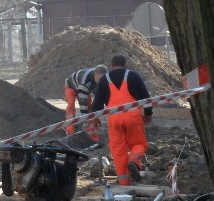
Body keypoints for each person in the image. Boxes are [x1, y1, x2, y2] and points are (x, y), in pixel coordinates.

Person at [91, 54, 153, 185]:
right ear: (125, 65)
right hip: (133, 116)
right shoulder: (133, 76)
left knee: (118, 151)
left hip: (114, 119)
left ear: (111, 65)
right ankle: (134, 161)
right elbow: (146, 98)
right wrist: (148, 114)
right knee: (139, 144)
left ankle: (124, 183)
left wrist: (95, 120)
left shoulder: (104, 80)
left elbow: (96, 105)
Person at [64, 64, 108, 141]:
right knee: (71, 106)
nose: (102, 81)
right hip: (71, 86)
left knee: (90, 107)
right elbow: (83, 105)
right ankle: (69, 129)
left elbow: (98, 100)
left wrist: (96, 117)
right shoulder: (85, 82)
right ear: (95, 74)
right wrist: (85, 120)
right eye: (100, 79)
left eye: (103, 79)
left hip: (87, 87)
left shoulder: (100, 78)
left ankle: (93, 133)